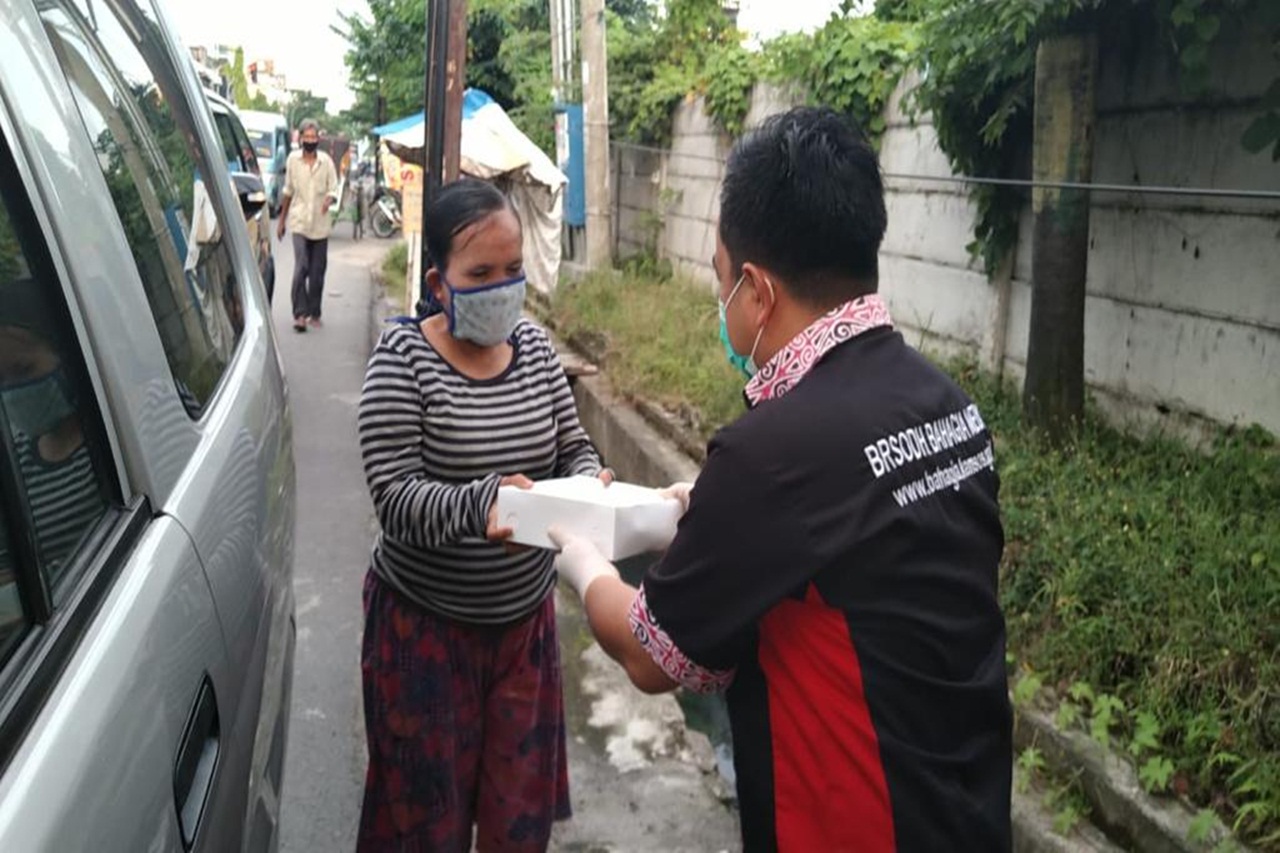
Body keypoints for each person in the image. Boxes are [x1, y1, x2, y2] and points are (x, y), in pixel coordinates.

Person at [550, 107, 1012, 852]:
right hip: (967, 808)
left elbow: (650, 652)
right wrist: (705, 513)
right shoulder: (947, 404)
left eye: (721, 279)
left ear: (757, 291)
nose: (721, 301)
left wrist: (580, 557)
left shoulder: (772, 451)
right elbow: (863, 548)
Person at [356, 179, 611, 852]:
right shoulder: (403, 361)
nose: (503, 286)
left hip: (522, 636)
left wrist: (589, 486)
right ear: (439, 283)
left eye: (513, 270)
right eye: (481, 274)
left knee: (516, 822)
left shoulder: (534, 351)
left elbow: (574, 447)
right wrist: (483, 501)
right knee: (423, 826)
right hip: (424, 638)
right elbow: (395, 498)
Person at [276, 118, 337, 333]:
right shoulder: (293, 160)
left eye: (314, 137)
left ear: (318, 138)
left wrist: (330, 199)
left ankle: (315, 312)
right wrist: (281, 221)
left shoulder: (326, 162)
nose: (310, 141)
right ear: (300, 138)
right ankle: (300, 314)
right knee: (301, 266)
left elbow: (334, 189)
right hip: (299, 222)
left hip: (320, 226)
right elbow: (288, 192)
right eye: (307, 137)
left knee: (317, 271)